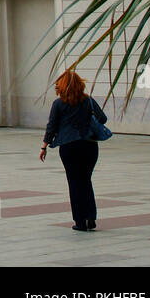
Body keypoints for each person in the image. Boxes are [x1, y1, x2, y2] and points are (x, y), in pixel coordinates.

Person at [40, 69, 108, 231]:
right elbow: (103, 118)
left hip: (69, 146)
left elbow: (52, 126)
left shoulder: (58, 104)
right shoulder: (88, 101)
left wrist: (44, 146)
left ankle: (80, 221)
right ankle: (91, 217)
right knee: (86, 180)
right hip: (89, 145)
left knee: (74, 183)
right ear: (80, 84)